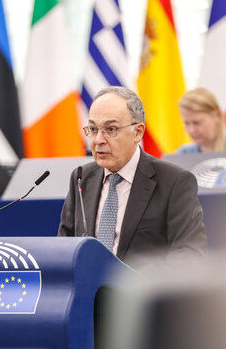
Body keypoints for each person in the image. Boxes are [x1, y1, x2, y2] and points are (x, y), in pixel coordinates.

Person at [58, 86, 207, 271]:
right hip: (87, 296)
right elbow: (64, 247)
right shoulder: (81, 177)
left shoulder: (175, 182)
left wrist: (131, 284)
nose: (98, 140)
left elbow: (190, 254)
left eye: (110, 129)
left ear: (138, 132)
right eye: (93, 129)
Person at [177, 87, 226, 153]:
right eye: (186, 123)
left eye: (197, 123)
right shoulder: (183, 153)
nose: (192, 130)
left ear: (217, 115)